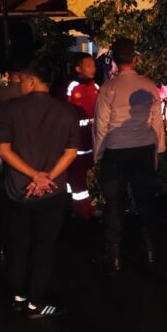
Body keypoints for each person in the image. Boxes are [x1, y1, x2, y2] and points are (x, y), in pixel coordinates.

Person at [0, 58, 80, 318]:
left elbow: (3, 150)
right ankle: (36, 302)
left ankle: (19, 297)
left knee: (18, 245)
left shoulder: (9, 109)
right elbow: (71, 153)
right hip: (52, 191)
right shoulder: (68, 112)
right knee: (44, 247)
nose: (20, 85)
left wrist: (34, 176)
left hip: (18, 190)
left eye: (22, 80)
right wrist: (47, 178)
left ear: (31, 81)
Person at [93, 38, 165, 272]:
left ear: (114, 61)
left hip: (115, 151)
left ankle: (113, 254)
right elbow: (157, 122)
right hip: (144, 148)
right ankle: (150, 250)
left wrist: (98, 155)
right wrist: (157, 151)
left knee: (114, 203)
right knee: (145, 201)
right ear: (135, 60)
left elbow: (101, 126)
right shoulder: (148, 85)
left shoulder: (108, 88)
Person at [62, 52, 98, 223]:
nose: (93, 69)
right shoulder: (72, 87)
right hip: (77, 142)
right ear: (78, 68)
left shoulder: (95, 86)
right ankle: (79, 213)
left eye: (93, 65)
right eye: (89, 65)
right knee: (77, 178)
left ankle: (88, 209)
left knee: (88, 175)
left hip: (93, 140)